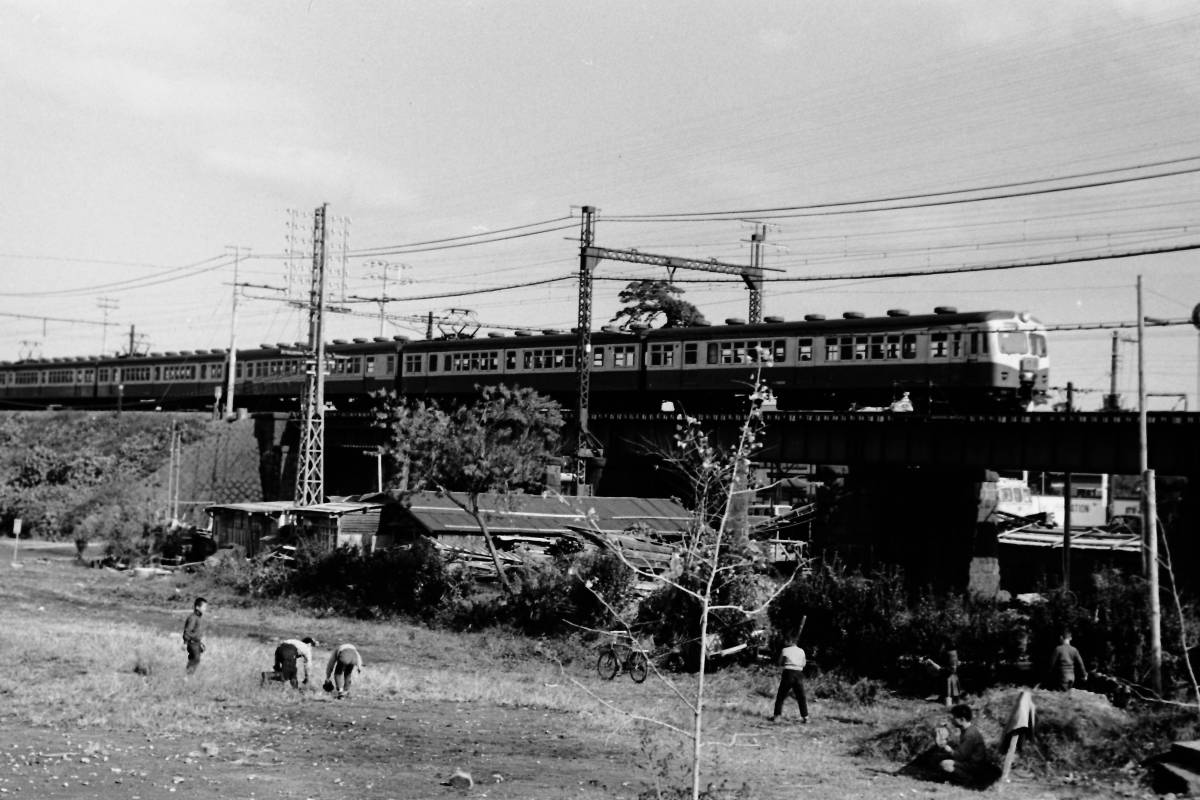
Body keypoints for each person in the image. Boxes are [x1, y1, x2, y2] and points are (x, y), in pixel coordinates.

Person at [903, 703, 999, 788]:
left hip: (973, 767)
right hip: (968, 762)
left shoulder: (970, 735)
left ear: (962, 719)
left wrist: (946, 747)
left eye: (953, 718)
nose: (952, 720)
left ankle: (967, 780)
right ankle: (944, 777)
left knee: (945, 764)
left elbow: (959, 756)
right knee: (938, 756)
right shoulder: (967, 730)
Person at [769, 637, 808, 723]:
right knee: (801, 696)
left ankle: (777, 716)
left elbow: (780, 662)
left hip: (788, 673)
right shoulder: (801, 651)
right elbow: (804, 663)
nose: (786, 642)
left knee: (781, 696)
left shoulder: (785, 650)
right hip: (798, 673)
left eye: (787, 641)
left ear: (790, 641)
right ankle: (805, 717)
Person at [182, 597, 208, 676]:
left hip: (196, 642)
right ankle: (187, 676)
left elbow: (197, 631)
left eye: (205, 607)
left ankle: (188, 676)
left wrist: (200, 641)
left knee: (195, 659)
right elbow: (188, 630)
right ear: (197, 607)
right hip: (192, 642)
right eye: (204, 607)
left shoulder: (198, 617)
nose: (205, 609)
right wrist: (185, 642)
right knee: (195, 659)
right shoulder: (193, 618)